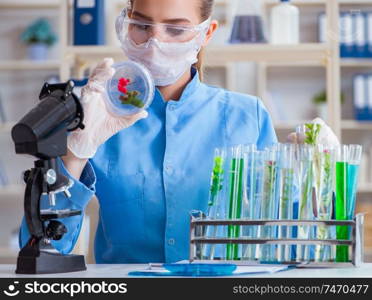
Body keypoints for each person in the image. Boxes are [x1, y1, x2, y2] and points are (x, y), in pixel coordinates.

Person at [19, 0, 337, 264]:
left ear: (206, 32)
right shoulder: (99, 116)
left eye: (176, 29)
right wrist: (73, 154)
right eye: (142, 25)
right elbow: (41, 254)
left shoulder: (247, 116)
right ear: (125, 23)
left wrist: (323, 180)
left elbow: (291, 246)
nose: (156, 41)